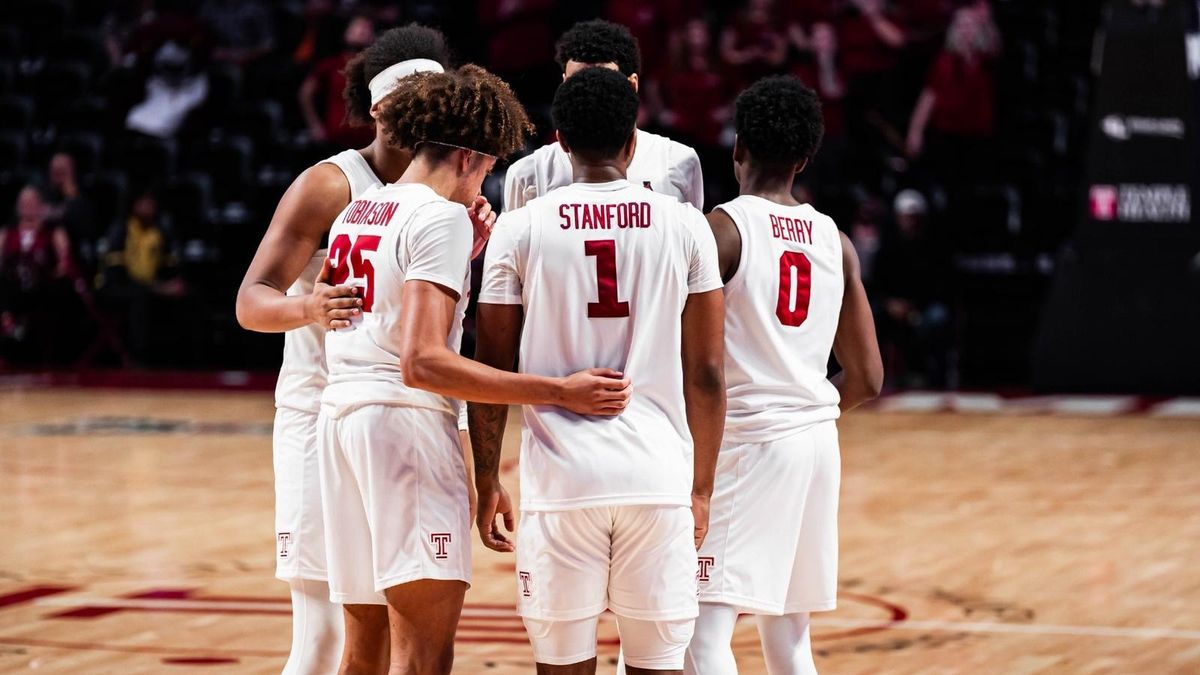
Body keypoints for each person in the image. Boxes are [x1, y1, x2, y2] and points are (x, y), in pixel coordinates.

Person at [317, 64, 632, 675]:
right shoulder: (437, 218)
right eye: (488, 167)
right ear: (467, 157)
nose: (485, 182)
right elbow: (422, 361)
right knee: (423, 656)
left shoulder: (360, 211)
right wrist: (558, 390)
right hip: (401, 428)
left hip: (342, 422)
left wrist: (462, 258)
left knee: (363, 652)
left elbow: (382, 311)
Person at [235, 25, 480, 675]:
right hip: (324, 411)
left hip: (406, 412)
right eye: (408, 102)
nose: (420, 113)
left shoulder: (448, 192)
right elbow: (250, 301)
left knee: (399, 631)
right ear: (377, 108)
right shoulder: (330, 184)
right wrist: (308, 308)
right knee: (323, 635)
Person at [472, 66, 726, 675]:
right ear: (634, 139)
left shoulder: (520, 227)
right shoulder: (686, 224)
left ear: (558, 140)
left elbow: (491, 367)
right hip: (657, 478)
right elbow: (707, 373)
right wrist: (701, 490)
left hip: (561, 483)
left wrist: (486, 479)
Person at [685, 76, 883, 675]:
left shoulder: (722, 229)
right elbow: (868, 377)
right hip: (817, 443)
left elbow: (698, 364)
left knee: (699, 633)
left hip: (748, 442)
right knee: (790, 638)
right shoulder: (835, 241)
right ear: (804, 159)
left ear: (738, 146)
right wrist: (802, 412)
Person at [503, 19, 705, 212]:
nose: (590, 91)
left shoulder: (678, 162)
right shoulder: (528, 174)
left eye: (603, 81)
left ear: (632, 85)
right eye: (578, 81)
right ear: (563, 85)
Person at [299, 14, 377, 148]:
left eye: (367, 28)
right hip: (336, 139)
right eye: (357, 27)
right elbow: (305, 94)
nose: (362, 31)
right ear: (346, 33)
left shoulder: (377, 67)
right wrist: (315, 126)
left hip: (369, 140)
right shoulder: (331, 65)